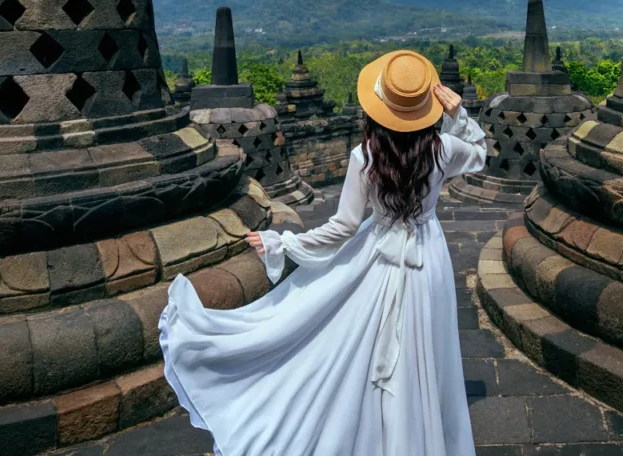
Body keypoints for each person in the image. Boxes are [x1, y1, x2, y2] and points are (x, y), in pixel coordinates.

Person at [159, 49, 486, 455]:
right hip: (427, 254)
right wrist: (458, 113)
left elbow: (343, 227)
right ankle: (418, 425)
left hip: (379, 253)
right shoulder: (444, 149)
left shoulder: (366, 156)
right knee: (424, 337)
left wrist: (284, 242)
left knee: (367, 337)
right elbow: (479, 153)